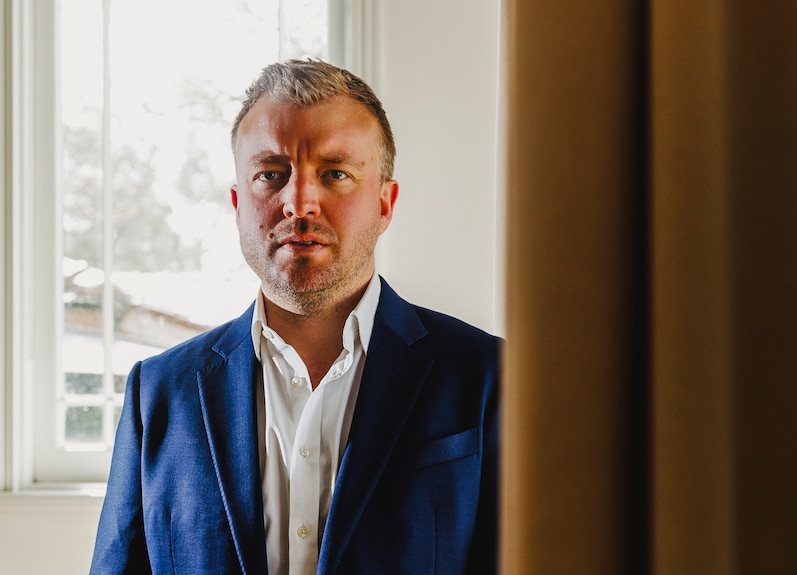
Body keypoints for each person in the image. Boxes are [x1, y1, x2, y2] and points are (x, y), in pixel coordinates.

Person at [90, 59, 500, 575]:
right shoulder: (159, 393)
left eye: (335, 174)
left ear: (385, 203)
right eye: (271, 174)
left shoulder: (490, 378)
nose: (299, 202)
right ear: (239, 204)